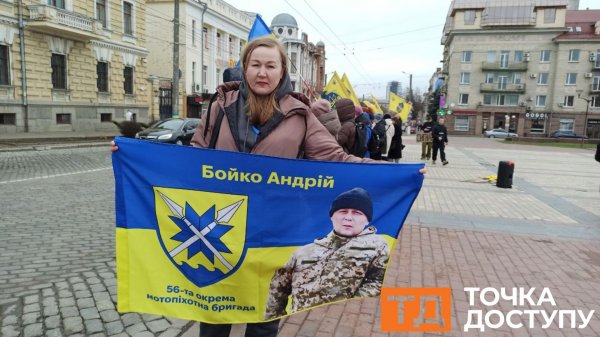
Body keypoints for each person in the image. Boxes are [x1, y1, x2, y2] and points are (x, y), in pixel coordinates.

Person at [110, 36, 424, 337]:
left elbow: (337, 160)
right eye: (256, 64)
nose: (263, 72)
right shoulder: (220, 108)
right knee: (213, 315)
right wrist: (134, 155)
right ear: (245, 68)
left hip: (274, 231)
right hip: (222, 230)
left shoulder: (299, 115)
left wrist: (396, 173)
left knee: (264, 317)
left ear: (282, 71)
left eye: (271, 66)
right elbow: (191, 159)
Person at [264, 187, 389, 319]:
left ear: (367, 220)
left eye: (357, 213)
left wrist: (344, 311)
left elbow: (378, 282)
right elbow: (278, 287)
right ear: (332, 217)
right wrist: (274, 321)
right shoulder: (305, 252)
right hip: (299, 323)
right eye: (343, 211)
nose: (348, 218)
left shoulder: (376, 246)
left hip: (341, 322)